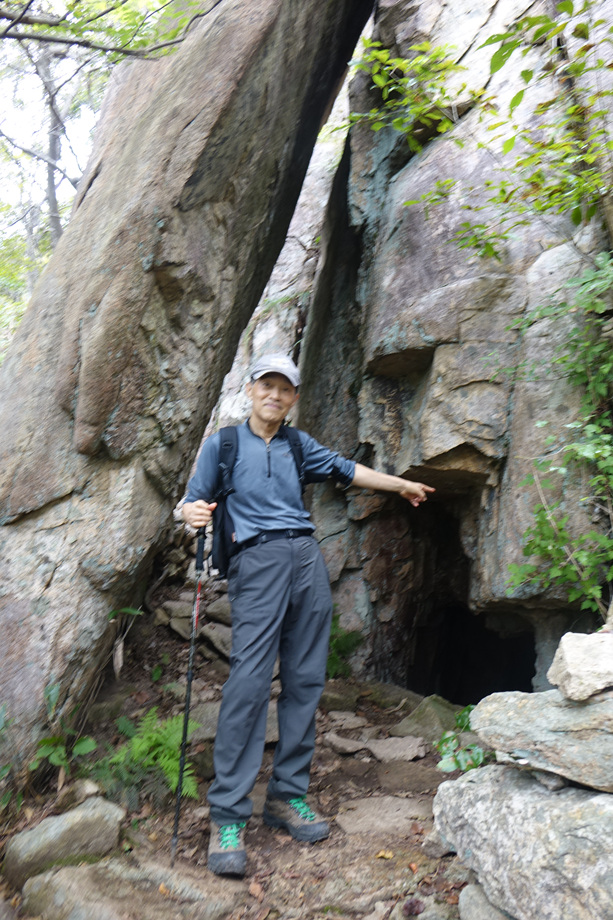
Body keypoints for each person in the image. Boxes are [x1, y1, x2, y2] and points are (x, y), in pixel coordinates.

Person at [182, 353, 434, 876]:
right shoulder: (223, 446)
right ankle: (228, 814)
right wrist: (190, 512)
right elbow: (191, 503)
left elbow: (347, 469)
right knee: (249, 682)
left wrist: (401, 484)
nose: (274, 395)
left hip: (305, 557)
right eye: (266, 385)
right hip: (256, 560)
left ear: (294, 397)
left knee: (305, 678)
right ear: (251, 389)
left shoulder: (297, 444)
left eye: (284, 389)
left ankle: (286, 796)